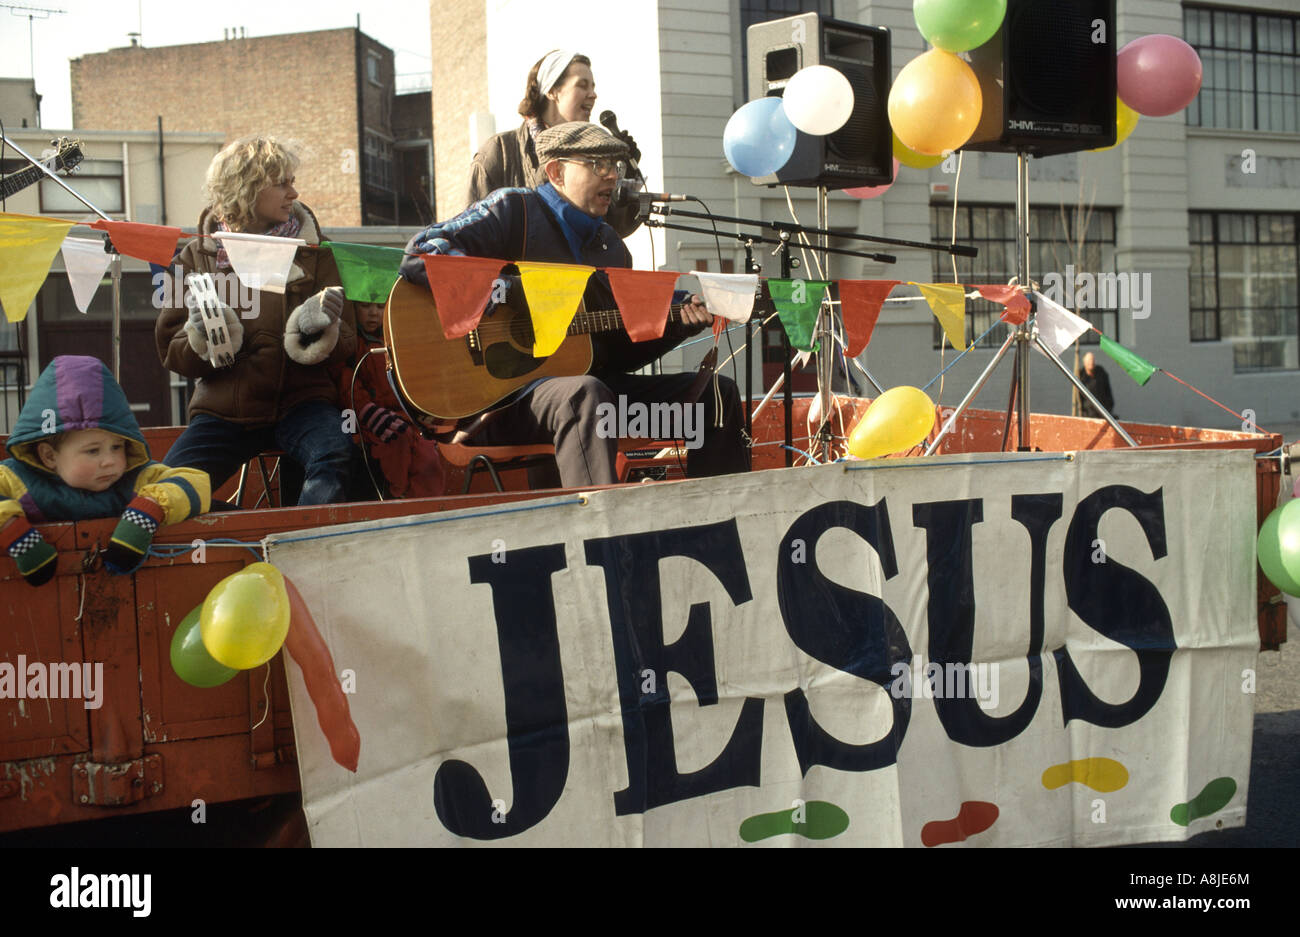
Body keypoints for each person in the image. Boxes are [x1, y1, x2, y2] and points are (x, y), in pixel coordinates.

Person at [401, 122, 749, 488]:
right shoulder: (513, 211)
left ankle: (717, 531)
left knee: (714, 396)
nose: (613, 176)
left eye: (615, 166)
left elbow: (613, 353)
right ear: (556, 171)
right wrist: (506, 292)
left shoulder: (610, 247)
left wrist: (677, 324)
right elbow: (422, 252)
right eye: (598, 164)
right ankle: (603, 538)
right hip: (494, 408)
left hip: (590, 406)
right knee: (586, 394)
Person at [155, 135, 357, 505]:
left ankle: (302, 548)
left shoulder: (318, 251)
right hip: (223, 411)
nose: (294, 193)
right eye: (282, 183)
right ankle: (242, 535)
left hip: (304, 404)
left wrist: (320, 328)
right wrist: (201, 336)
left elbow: (349, 341)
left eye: (292, 182)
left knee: (336, 456)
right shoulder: (191, 256)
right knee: (166, 491)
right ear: (245, 188)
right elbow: (171, 351)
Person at [0, 356, 211, 585]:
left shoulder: (134, 476)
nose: (109, 461)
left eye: (117, 447)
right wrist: (14, 532)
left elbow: (196, 483)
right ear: (49, 456)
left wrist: (147, 511)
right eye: (93, 451)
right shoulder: (19, 479)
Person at [467, 49, 642, 238]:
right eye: (582, 86)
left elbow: (615, 230)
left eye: (593, 86)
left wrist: (627, 173)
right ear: (552, 91)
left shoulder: (596, 157)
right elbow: (474, 233)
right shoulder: (499, 152)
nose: (593, 95)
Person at [331, 301, 446, 500]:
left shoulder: (394, 339)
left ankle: (428, 508)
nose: (373, 313)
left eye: (380, 307)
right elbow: (346, 384)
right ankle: (396, 498)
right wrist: (367, 410)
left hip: (403, 417)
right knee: (395, 442)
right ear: (353, 308)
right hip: (366, 422)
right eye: (366, 306)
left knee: (427, 456)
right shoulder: (350, 345)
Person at [1077, 351, 1115, 418]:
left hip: (1103, 412)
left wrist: (1109, 408)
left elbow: (1108, 391)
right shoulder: (1081, 376)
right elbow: (1079, 398)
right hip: (1088, 414)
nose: (1091, 363)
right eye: (1089, 361)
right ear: (1085, 363)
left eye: (1092, 360)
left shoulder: (1101, 373)